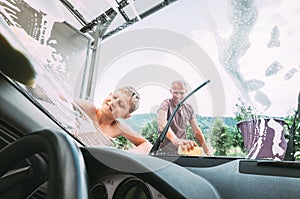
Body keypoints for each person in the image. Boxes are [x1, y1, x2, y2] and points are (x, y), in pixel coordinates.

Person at [75, 86, 152, 154]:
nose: (113, 103)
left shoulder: (118, 128)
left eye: (121, 105)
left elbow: (147, 145)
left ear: (125, 116)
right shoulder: (86, 108)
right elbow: (65, 99)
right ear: (110, 94)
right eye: (114, 97)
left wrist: (124, 154)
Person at [157, 80, 211, 155]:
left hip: (181, 152)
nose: (178, 96)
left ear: (186, 92)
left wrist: (207, 152)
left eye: (182, 93)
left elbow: (196, 131)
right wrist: (175, 140)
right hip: (165, 152)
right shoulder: (165, 104)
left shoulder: (189, 108)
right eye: (175, 92)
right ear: (170, 91)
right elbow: (161, 123)